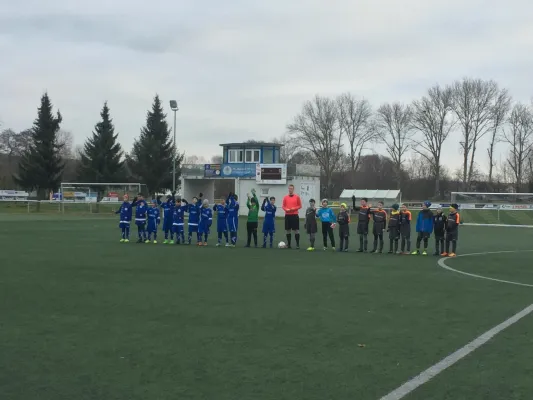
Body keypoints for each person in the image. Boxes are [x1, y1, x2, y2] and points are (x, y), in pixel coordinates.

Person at [282, 184, 302, 249]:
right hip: (287, 215)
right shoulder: (285, 197)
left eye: (291, 188)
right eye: (289, 188)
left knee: (296, 230)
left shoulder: (297, 197)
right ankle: (289, 244)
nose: (290, 190)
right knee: (288, 230)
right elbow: (283, 206)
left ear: (293, 189)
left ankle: (297, 244)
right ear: (288, 189)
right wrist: (286, 209)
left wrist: (294, 208)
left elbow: (300, 206)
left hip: (294, 215)